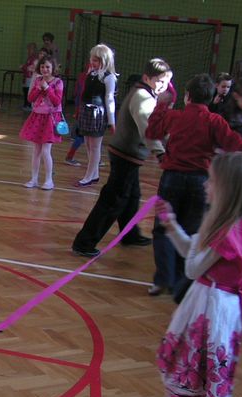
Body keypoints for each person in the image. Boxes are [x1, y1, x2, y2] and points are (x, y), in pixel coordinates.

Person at [128, 152, 242, 397]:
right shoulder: (234, 223)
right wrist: (172, 224)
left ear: (228, 189)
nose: (206, 185)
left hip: (212, 309)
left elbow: (192, 268)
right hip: (211, 305)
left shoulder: (225, 231)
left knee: (202, 380)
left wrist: (192, 231)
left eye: (212, 181)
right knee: (187, 369)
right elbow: (191, 255)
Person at [145, 74, 242, 299]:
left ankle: (164, 279)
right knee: (192, 231)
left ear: (187, 96)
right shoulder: (214, 121)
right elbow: (236, 144)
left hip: (173, 178)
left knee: (164, 228)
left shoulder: (176, 116)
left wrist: (161, 105)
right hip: (199, 182)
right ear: (211, 97)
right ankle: (180, 282)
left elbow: (151, 132)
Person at [72, 58, 173, 258]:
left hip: (128, 153)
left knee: (132, 196)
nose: (163, 86)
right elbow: (149, 130)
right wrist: (161, 153)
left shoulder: (144, 92)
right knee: (113, 200)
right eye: (160, 81)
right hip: (126, 154)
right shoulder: (143, 98)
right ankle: (84, 243)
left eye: (167, 82)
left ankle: (130, 234)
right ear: (147, 78)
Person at [19, 56, 64, 190]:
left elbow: (57, 101)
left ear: (53, 68)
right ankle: (34, 179)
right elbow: (30, 98)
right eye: (42, 67)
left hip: (50, 119)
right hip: (38, 116)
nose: (45, 69)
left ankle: (49, 180)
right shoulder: (38, 80)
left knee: (45, 150)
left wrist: (47, 88)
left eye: (48, 67)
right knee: (36, 150)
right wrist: (38, 88)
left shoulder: (58, 82)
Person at [76, 44, 117, 187]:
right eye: (92, 59)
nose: (92, 63)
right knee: (88, 144)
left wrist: (112, 122)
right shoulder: (91, 73)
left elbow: (109, 99)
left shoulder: (109, 77)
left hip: (97, 114)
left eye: (96, 60)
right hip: (86, 111)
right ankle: (94, 174)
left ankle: (88, 176)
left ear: (104, 61)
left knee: (95, 146)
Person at [20, 42, 38, 110]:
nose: (28, 50)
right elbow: (27, 67)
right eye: (28, 49)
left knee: (28, 91)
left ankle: (29, 105)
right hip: (26, 76)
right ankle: (26, 104)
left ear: (34, 49)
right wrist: (24, 67)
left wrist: (23, 66)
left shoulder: (34, 58)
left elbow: (30, 67)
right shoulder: (29, 57)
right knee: (25, 90)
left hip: (30, 77)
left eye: (30, 49)